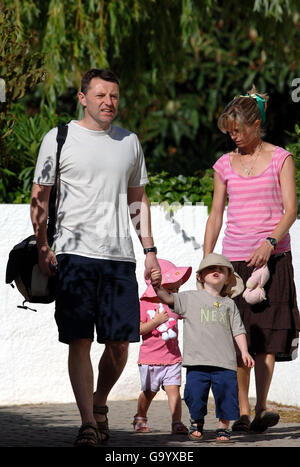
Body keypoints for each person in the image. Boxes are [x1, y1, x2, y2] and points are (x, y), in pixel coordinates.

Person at [30, 69, 160, 447]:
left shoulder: (129, 142)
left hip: (120, 257)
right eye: (101, 95)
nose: (109, 102)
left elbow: (138, 199)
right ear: (83, 98)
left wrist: (150, 250)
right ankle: (88, 422)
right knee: (80, 339)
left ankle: (99, 402)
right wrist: (43, 244)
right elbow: (40, 196)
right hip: (72, 254)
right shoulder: (59, 138)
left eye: (114, 96)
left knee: (120, 342)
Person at [203, 86, 300, 433]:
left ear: (256, 125)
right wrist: (208, 261)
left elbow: (291, 209)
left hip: (273, 261)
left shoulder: (281, 158)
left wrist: (270, 242)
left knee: (268, 340)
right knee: (237, 340)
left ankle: (261, 408)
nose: (233, 137)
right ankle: (242, 411)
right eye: (229, 131)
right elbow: (216, 215)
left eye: (238, 130)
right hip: (234, 264)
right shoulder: (223, 164)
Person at [151, 253, 255, 442]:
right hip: (197, 361)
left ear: (228, 278)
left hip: (225, 362)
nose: (216, 271)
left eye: (221, 269)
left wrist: (244, 351)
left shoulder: (229, 304)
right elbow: (166, 298)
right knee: (195, 395)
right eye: (210, 268)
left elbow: (238, 330)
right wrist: (156, 286)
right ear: (200, 276)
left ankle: (224, 427)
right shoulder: (189, 298)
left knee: (227, 395)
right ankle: (196, 421)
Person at [133, 258, 192, 435]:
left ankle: (177, 422)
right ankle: (140, 417)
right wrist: (156, 321)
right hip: (150, 359)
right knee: (148, 392)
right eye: (171, 289)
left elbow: (189, 315)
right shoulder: (143, 304)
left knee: (174, 391)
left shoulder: (175, 304)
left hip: (172, 358)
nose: (175, 293)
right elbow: (138, 330)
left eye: (177, 289)